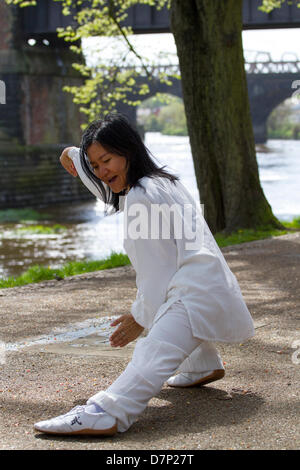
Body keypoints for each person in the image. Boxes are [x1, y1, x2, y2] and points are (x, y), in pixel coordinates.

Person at [34, 113, 254, 436]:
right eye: (94, 166)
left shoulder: (139, 197)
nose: (101, 171)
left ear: (128, 151)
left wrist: (139, 318)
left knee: (149, 349)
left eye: (105, 160)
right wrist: (76, 159)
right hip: (213, 288)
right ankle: (201, 363)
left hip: (191, 298)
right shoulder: (163, 183)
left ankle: (106, 412)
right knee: (165, 317)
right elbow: (111, 190)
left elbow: (157, 277)